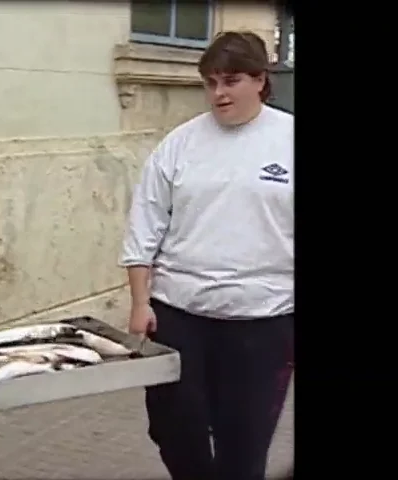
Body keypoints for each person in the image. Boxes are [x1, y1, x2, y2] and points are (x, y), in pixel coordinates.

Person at [120, 31, 294, 480]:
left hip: (264, 323)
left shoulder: (287, 139)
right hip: (179, 316)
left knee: (244, 444)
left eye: (231, 81)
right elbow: (145, 225)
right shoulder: (179, 145)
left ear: (260, 80)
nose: (218, 93)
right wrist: (140, 302)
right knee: (172, 429)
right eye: (210, 82)